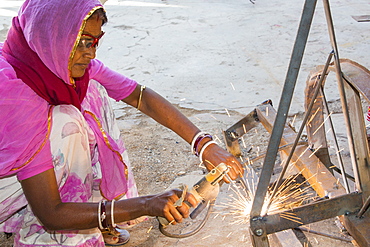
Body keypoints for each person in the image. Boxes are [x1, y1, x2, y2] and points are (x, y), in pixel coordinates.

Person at [0, 0, 243, 246]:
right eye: (83, 42)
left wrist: (203, 144)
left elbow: (140, 97)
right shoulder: (17, 97)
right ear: (53, 34)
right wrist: (145, 205)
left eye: (95, 42)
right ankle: (56, 235)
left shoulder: (46, 59)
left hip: (25, 176)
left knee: (93, 92)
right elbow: (51, 213)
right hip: (28, 201)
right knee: (68, 123)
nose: (92, 53)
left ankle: (92, 211)